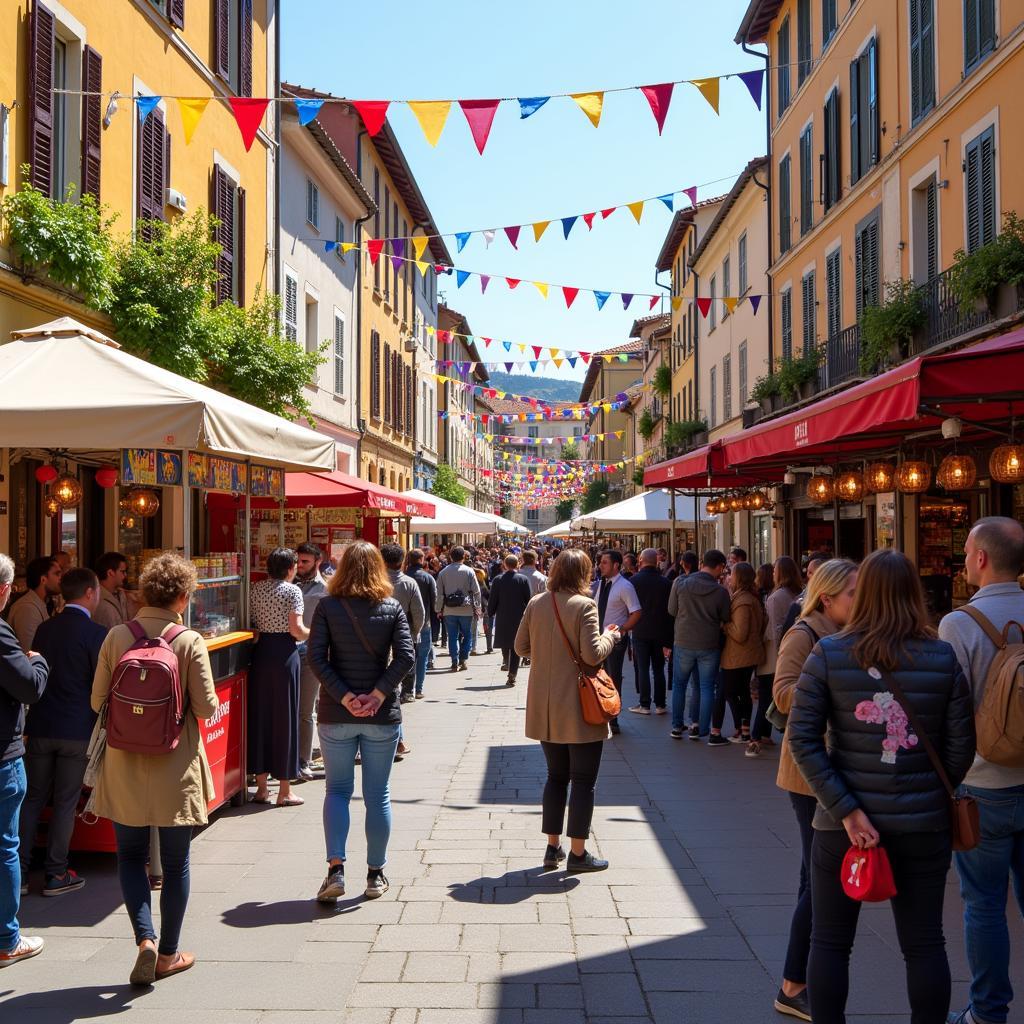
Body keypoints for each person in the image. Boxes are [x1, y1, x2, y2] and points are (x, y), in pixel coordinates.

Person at [788, 548, 976, 1024]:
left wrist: (847, 809)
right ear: (914, 595)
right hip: (921, 824)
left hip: (841, 824)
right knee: (924, 943)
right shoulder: (941, 656)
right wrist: (929, 793)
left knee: (831, 941)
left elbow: (803, 739)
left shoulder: (829, 653)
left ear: (864, 592)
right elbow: (960, 748)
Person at [90, 552, 219, 985]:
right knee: (177, 862)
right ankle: (168, 953)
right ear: (183, 596)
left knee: (129, 856)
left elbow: (96, 703)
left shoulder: (116, 636)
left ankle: (143, 938)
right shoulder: (188, 640)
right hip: (174, 763)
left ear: (145, 593)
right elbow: (205, 705)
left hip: (124, 764)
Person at [938, 516, 1024, 1024]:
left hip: (984, 781)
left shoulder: (960, 623)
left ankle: (988, 1012)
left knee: (985, 905)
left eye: (968, 552)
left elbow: (951, 709)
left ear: (982, 559)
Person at [769, 558, 858, 1021]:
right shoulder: (804, 635)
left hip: (835, 766)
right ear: (828, 598)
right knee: (814, 879)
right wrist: (831, 689)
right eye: (851, 596)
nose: (858, 603)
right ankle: (792, 983)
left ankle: (795, 981)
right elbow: (782, 692)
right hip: (808, 772)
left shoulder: (844, 634)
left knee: (813, 878)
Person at [308, 541, 414, 903]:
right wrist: (378, 695)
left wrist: (346, 697)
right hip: (381, 716)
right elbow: (405, 657)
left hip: (337, 713)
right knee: (377, 795)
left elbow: (317, 659)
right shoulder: (391, 607)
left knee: (337, 791)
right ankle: (375, 873)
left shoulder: (327, 607)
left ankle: (336, 868)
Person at [514, 549, 619, 872]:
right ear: (583, 574)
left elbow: (520, 647)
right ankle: (578, 853)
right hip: (577, 705)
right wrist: (610, 637)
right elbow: (591, 654)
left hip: (546, 706)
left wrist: (546, 656)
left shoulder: (537, 603)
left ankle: (552, 847)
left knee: (555, 777)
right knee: (584, 780)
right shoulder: (584, 605)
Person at [18, 569, 106, 897]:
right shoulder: (96, 633)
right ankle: (56, 873)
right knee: (66, 802)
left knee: (32, 799)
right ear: (88, 593)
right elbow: (101, 683)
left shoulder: (44, 629)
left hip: (41, 724)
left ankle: (21, 874)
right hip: (77, 729)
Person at [0, 553, 48, 968]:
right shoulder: (1, 632)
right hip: (2, 755)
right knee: (4, 848)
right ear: (3, 590)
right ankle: (6, 938)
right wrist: (38, 661)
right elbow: (29, 687)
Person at [248, 548, 308, 807]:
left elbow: (253, 625)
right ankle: (284, 789)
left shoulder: (256, 589)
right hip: (284, 654)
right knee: (285, 718)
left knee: (260, 717)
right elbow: (296, 629)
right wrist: (312, 633)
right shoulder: (293, 591)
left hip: (261, 654)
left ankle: (262, 788)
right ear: (290, 568)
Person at [668, 549, 731, 740]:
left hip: (684, 640)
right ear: (719, 567)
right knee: (705, 687)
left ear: (703, 562)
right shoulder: (720, 591)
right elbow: (726, 617)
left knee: (679, 685)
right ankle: (701, 728)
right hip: (708, 643)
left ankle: (677, 726)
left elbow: (671, 610)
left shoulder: (680, 583)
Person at [750, 556, 802, 756]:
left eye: (775, 570)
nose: (772, 574)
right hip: (791, 652)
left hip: (774, 653)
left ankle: (755, 737)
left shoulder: (775, 597)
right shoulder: (796, 594)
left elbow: (773, 630)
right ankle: (764, 734)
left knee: (766, 694)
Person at [709, 562, 765, 748]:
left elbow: (740, 633)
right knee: (740, 692)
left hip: (737, 655)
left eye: (731, 574)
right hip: (746, 654)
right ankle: (743, 729)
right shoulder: (750, 598)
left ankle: (723, 731)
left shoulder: (743, 601)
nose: (728, 577)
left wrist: (725, 625)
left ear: (739, 578)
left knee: (726, 692)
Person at [592, 550, 641, 735]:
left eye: (604, 562)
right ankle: (599, 713)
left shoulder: (625, 586)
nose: (600, 565)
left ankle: (613, 718)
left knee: (613, 679)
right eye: (600, 562)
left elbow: (636, 612)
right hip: (597, 639)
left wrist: (621, 630)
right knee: (597, 678)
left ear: (616, 565)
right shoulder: (600, 585)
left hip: (614, 641)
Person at [294, 543, 328, 781]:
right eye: (298, 561)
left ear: (318, 561)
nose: (299, 566)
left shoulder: (325, 589)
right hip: (287, 653)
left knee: (306, 710)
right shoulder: (289, 584)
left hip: (312, 654)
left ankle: (303, 760)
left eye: (305, 562)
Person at [627, 548, 673, 715]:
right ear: (656, 561)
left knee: (643, 668)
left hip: (640, 629)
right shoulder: (666, 582)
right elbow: (670, 611)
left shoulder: (633, 581)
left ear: (641, 560)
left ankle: (644, 704)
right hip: (660, 631)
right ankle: (660, 704)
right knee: (659, 669)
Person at [380, 544, 425, 708]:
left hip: (379, 626)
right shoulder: (409, 583)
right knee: (406, 658)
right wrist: (416, 632)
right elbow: (418, 612)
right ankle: (407, 692)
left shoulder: (376, 582)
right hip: (405, 625)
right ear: (402, 560)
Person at [487, 554, 532, 687]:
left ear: (505, 565)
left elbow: (493, 599)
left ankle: (506, 660)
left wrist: (490, 612)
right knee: (515, 646)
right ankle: (512, 673)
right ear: (518, 564)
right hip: (518, 617)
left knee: (504, 641)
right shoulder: (523, 579)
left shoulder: (497, 580)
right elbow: (528, 599)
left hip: (502, 616)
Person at [435, 546, 481, 672]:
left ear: (451, 557)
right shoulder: (469, 571)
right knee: (467, 635)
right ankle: (463, 658)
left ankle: (454, 660)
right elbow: (476, 592)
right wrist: (477, 607)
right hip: (466, 609)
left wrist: (438, 609)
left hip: (449, 610)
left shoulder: (443, 572)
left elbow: (439, 593)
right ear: (463, 557)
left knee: (452, 636)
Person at [7, 556, 61, 653]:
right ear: (43, 580)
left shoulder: (46, 603)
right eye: (57, 574)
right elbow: (28, 652)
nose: (60, 578)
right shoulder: (27, 609)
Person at [405, 549, 437, 699]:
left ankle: (406, 689)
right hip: (424, 623)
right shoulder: (428, 578)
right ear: (422, 559)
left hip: (404, 624)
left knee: (406, 656)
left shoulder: (403, 577)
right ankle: (418, 689)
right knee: (422, 657)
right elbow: (434, 601)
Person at [781, 556, 825, 635]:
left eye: (810, 572)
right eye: (808, 572)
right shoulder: (800, 602)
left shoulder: (829, 601)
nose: (807, 575)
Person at [93, 551, 130, 630]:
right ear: (110, 573)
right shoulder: (96, 599)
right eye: (122, 571)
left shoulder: (121, 594)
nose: (125, 575)